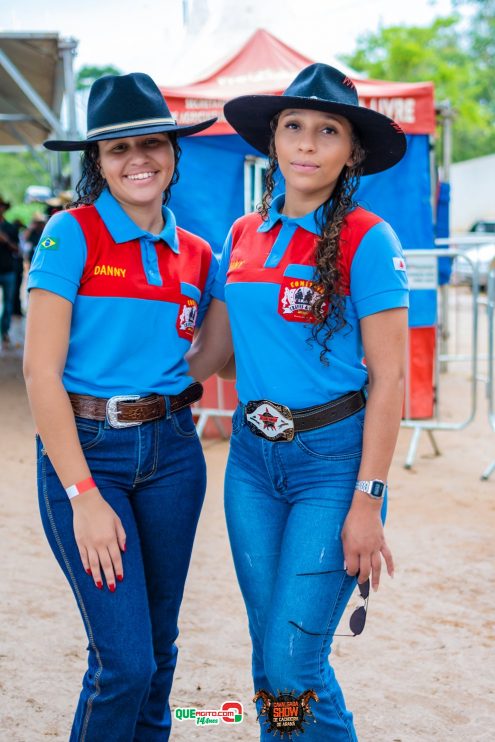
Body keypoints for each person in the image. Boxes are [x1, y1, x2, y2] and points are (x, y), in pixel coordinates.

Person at [187, 63, 409, 740]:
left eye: (326, 130)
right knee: (273, 657)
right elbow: (212, 357)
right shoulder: (241, 237)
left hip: (331, 466)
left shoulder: (369, 240)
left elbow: (390, 380)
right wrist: (123, 371)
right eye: (293, 127)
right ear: (273, 141)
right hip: (251, 466)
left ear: (351, 151)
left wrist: (367, 500)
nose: (306, 144)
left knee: (291, 659)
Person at [23, 72, 217, 741]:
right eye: (117, 148)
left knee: (159, 655)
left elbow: (213, 354)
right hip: (88, 455)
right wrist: (81, 493)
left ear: (173, 151)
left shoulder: (196, 254)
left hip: (173, 455)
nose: (139, 158)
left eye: (152, 143)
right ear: (97, 163)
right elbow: (39, 373)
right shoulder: (68, 234)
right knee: (124, 663)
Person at [0, 196, 19, 346]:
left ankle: (4, 330)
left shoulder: (10, 228)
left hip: (7, 270)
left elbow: (18, 250)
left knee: (8, 303)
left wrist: (5, 240)